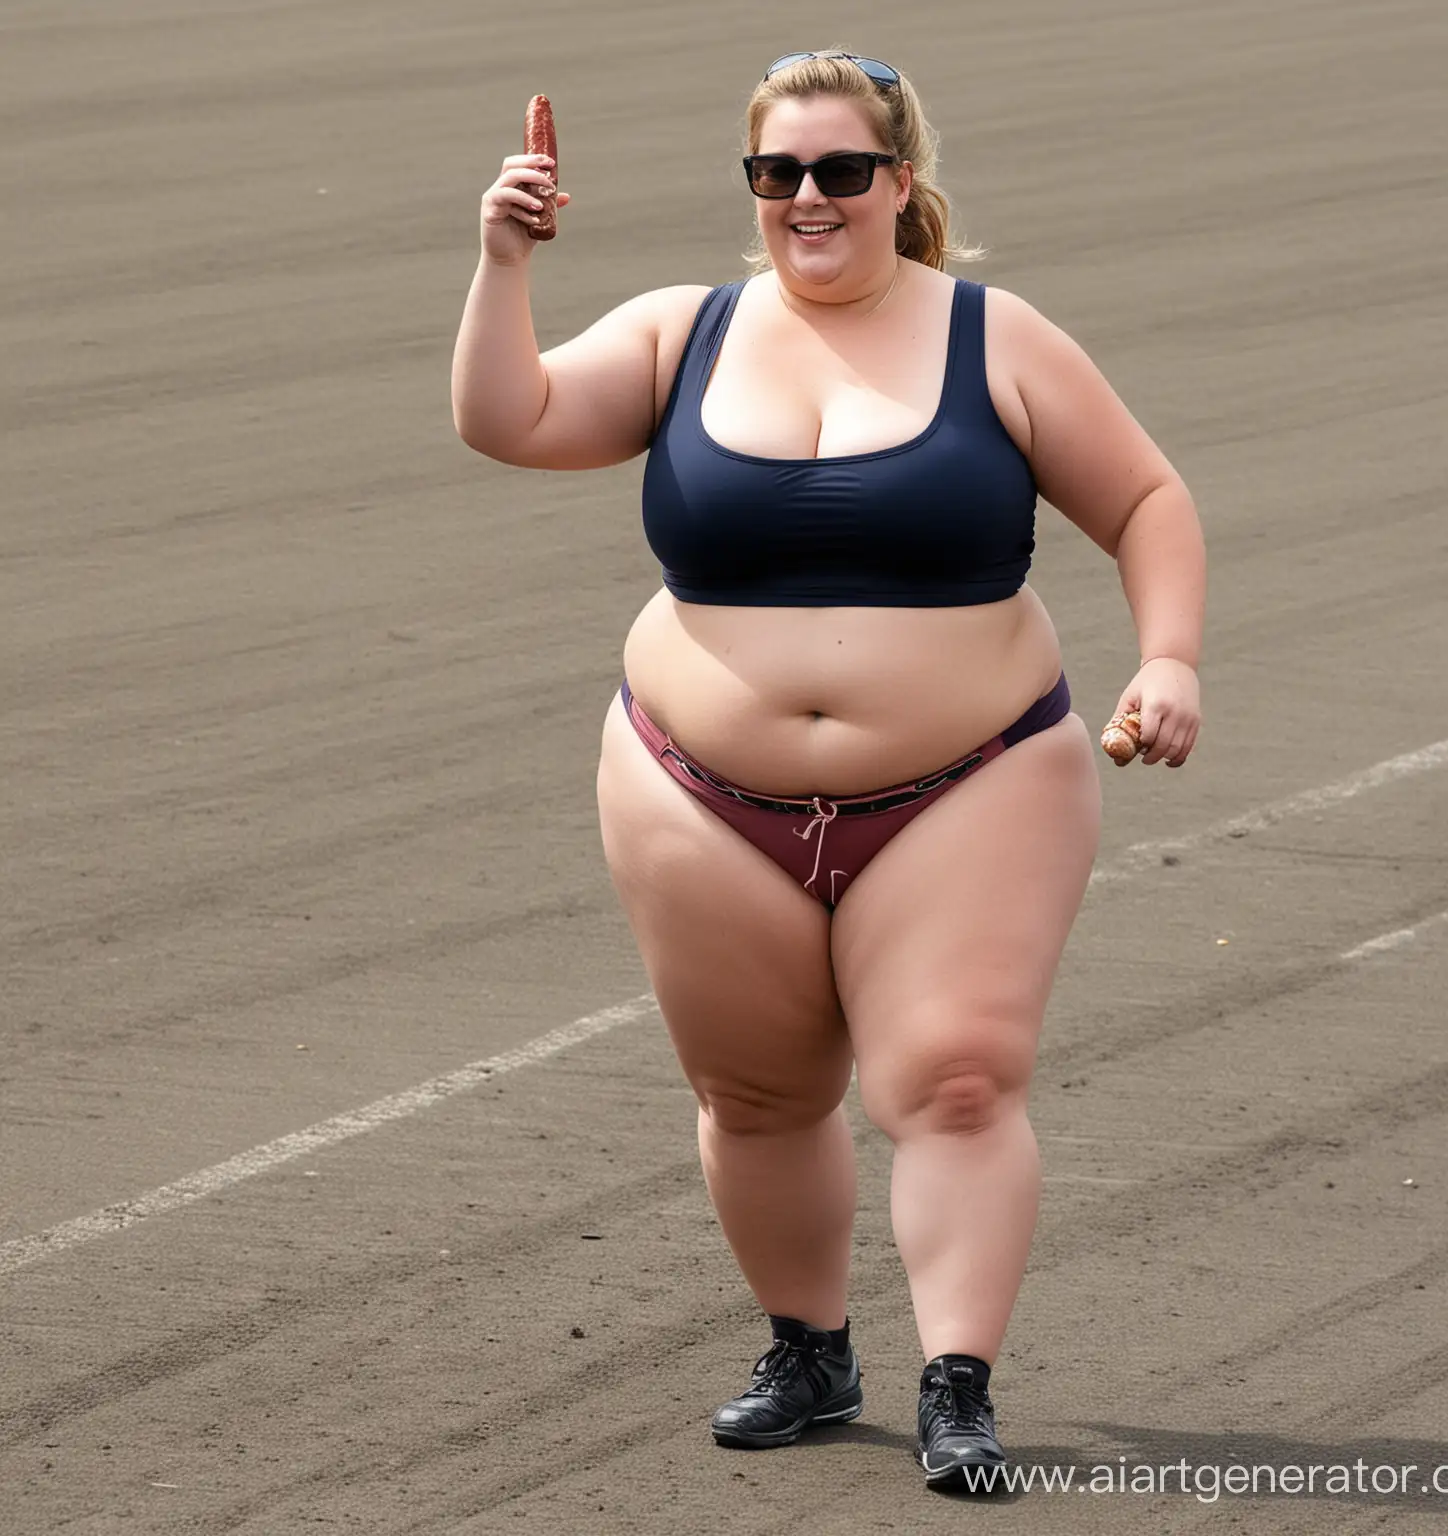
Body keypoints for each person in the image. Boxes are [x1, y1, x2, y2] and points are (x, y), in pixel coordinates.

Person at [452, 49, 1205, 1492]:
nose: (808, 196)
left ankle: (958, 1384)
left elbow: (1149, 497)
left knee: (961, 1077)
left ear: (898, 182)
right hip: (694, 789)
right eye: (777, 173)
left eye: (840, 170)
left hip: (969, 779)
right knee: (755, 1092)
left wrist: (1167, 655)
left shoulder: (996, 339)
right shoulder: (690, 332)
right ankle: (808, 1350)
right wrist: (503, 262)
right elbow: (512, 420)